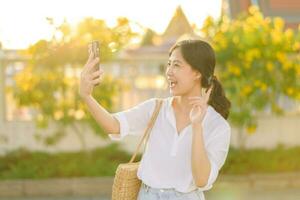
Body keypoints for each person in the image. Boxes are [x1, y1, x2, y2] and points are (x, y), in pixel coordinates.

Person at [79, 39, 231, 200]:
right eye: (169, 64)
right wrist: (86, 96)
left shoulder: (218, 126)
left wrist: (197, 126)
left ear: (197, 72)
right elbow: (114, 126)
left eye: (177, 65)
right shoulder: (156, 109)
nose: (169, 72)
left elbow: (201, 180)